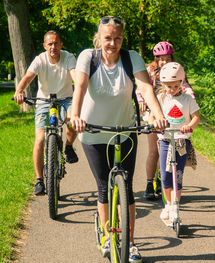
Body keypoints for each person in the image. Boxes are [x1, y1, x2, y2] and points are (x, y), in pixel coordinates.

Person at [70, 16, 167, 263]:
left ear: (123, 38)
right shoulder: (88, 57)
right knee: (104, 186)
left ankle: (131, 243)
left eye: (118, 38)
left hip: (125, 131)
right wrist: (75, 115)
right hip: (92, 131)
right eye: (108, 38)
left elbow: (145, 88)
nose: (113, 43)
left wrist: (158, 116)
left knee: (127, 187)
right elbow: (80, 87)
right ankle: (106, 235)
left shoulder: (130, 57)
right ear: (99, 38)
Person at [13, 30, 78, 196]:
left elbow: (75, 76)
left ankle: (68, 147)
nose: (53, 47)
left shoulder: (69, 57)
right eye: (50, 44)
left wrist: (81, 88)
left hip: (66, 99)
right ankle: (39, 180)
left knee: (73, 120)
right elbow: (28, 76)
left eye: (56, 43)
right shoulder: (40, 60)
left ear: (61, 44)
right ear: (44, 46)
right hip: (44, 100)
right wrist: (19, 90)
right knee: (40, 138)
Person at [140, 41, 195, 200]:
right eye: (161, 58)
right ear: (156, 58)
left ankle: (164, 180)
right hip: (154, 113)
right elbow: (141, 87)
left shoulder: (176, 70)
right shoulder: (150, 70)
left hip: (171, 114)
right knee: (154, 151)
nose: (164, 61)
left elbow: (185, 86)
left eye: (167, 58)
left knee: (171, 151)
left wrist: (190, 96)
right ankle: (150, 183)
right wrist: (142, 100)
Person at [155, 62, 200, 221]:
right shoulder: (160, 98)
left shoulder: (188, 99)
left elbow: (196, 117)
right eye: (168, 86)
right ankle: (168, 204)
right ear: (163, 84)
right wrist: (156, 123)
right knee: (166, 176)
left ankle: (175, 204)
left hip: (181, 141)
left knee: (177, 175)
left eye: (175, 86)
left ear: (181, 83)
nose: (172, 90)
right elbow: (155, 115)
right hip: (166, 140)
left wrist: (189, 126)